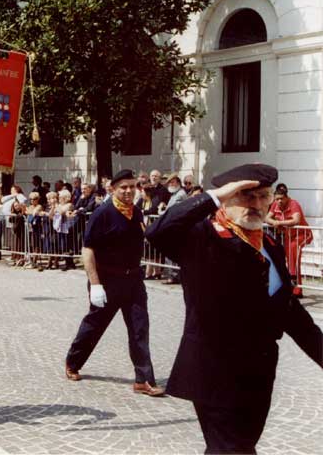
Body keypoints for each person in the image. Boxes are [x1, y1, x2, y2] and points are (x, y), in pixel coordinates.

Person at [145, 164, 323, 454]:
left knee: (239, 446)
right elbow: (158, 232)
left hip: (259, 372)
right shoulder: (202, 238)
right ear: (227, 198)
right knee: (231, 450)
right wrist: (212, 196)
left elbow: (290, 312)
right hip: (215, 370)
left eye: (262, 197)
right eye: (245, 196)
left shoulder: (269, 245)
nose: (256, 205)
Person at [64, 169, 164, 397]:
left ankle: (144, 380)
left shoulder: (136, 213)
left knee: (139, 329)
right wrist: (95, 284)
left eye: (132, 186)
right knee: (94, 326)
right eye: (123, 187)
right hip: (107, 280)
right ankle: (73, 361)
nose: (129, 191)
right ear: (113, 189)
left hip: (133, 280)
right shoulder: (103, 213)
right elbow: (88, 250)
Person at [265, 183, 313, 297]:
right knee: (289, 258)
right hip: (289, 236)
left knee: (292, 252)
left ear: (286, 197)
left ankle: (294, 283)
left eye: (281, 199)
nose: (279, 201)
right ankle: (294, 286)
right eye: (277, 199)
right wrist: (274, 222)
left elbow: (296, 220)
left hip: (302, 234)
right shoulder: (275, 204)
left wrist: (279, 223)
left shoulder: (294, 204)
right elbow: (267, 218)